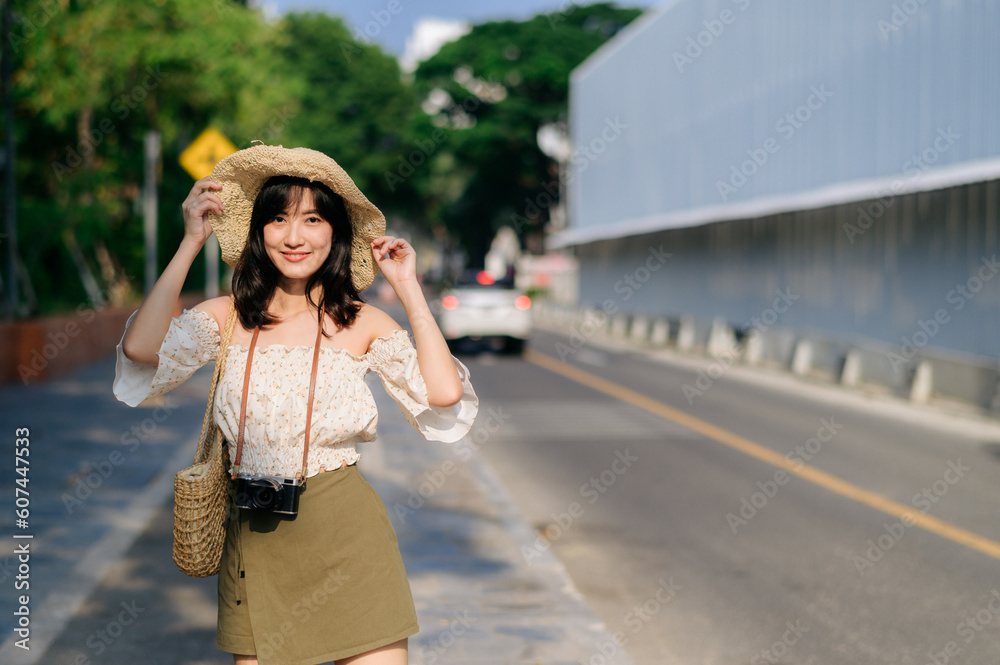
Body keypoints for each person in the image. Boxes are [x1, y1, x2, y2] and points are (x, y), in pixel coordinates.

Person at [112, 144, 479, 665]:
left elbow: (443, 392)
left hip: (346, 534)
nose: (294, 236)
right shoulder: (226, 316)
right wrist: (192, 241)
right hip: (255, 541)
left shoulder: (361, 321)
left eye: (312, 219)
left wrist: (408, 287)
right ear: (259, 231)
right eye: (279, 219)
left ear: (334, 233)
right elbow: (140, 349)